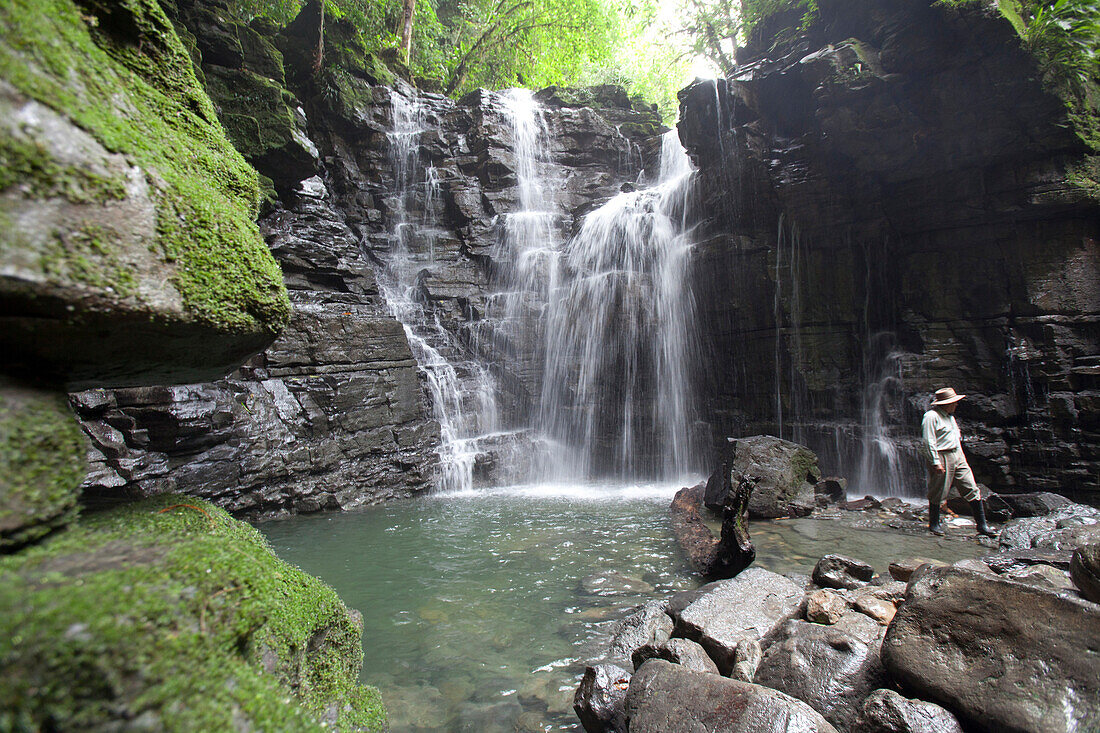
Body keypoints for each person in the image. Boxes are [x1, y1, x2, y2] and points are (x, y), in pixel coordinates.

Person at [920, 387, 996, 537]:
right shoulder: (931, 416)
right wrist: (935, 462)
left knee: (971, 487)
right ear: (945, 403)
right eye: (954, 402)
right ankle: (934, 524)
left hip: (957, 454)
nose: (956, 404)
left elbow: (955, 439)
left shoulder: (950, 417)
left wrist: (961, 458)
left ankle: (982, 525)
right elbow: (928, 441)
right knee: (938, 490)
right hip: (942, 456)